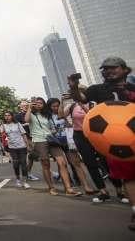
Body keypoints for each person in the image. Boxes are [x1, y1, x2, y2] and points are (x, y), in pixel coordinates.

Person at [71, 57, 135, 229]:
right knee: (129, 177)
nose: (108, 71)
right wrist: (73, 86)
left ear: (124, 69)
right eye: (105, 69)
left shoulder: (132, 88)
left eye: (112, 68)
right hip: (115, 143)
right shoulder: (97, 89)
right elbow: (81, 98)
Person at [24, 98, 81, 197]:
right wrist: (29, 108)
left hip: (51, 139)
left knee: (62, 162)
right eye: (36, 103)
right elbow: (26, 120)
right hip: (39, 140)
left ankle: (68, 189)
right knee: (46, 163)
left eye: (41, 103)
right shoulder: (32, 114)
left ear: (44, 105)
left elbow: (57, 119)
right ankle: (51, 187)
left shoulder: (47, 114)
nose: (38, 105)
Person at [0, 112, 31, 188]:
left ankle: (25, 182)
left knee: (23, 164)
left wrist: (27, 145)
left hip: (22, 146)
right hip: (12, 148)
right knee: (15, 164)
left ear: (12, 116)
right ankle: (18, 180)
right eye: (5, 116)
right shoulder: (4, 126)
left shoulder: (18, 124)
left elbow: (23, 134)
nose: (7, 117)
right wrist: (0, 124)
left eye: (9, 115)